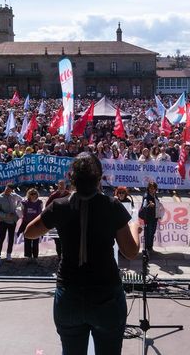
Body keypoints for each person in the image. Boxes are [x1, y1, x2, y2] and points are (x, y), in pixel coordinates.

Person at [25, 152, 140, 355]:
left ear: (72, 178)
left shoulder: (60, 206)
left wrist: (56, 217)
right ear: (99, 178)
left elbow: (30, 232)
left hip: (69, 295)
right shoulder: (112, 206)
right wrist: (135, 227)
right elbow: (130, 252)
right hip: (105, 296)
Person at [0, 183, 21, 266]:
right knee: (1, 238)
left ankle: (9, 254)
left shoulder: (14, 195)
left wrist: (17, 210)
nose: (8, 190)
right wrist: (5, 215)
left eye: (10, 189)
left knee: (11, 238)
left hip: (13, 221)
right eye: (7, 188)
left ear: (12, 190)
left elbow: (22, 200)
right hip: (4, 221)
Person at [45, 179, 72, 259]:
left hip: (67, 221)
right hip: (56, 221)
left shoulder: (69, 194)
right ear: (57, 185)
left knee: (66, 239)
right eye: (60, 185)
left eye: (63, 185)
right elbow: (47, 206)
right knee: (57, 240)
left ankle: (66, 255)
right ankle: (59, 255)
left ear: (65, 185)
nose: (61, 186)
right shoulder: (53, 195)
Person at [138, 181, 164, 254]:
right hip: (148, 218)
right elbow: (144, 206)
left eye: (153, 188)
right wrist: (149, 206)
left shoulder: (154, 195)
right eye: (150, 188)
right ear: (148, 188)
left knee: (152, 233)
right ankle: (146, 248)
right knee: (148, 233)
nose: (152, 189)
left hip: (154, 218)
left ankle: (150, 247)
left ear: (156, 189)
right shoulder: (146, 196)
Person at [18, 187, 43, 261]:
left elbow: (41, 212)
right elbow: (21, 212)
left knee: (35, 241)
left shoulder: (40, 202)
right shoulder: (24, 203)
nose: (33, 195)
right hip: (27, 224)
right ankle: (29, 257)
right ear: (29, 194)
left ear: (37, 194)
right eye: (31, 194)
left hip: (36, 224)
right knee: (27, 240)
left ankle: (35, 257)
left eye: (34, 193)